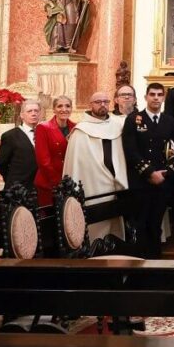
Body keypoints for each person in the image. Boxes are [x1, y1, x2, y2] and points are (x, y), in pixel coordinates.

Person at [121, 84, 174, 258]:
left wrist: (166, 172)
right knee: (141, 223)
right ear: (145, 97)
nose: (156, 98)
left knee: (155, 223)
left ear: (163, 98)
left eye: (159, 95)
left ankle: (155, 262)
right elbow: (130, 150)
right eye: (152, 94)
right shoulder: (134, 119)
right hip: (141, 181)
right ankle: (140, 263)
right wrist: (149, 173)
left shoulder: (170, 121)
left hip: (162, 181)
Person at [64, 92, 129, 241]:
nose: (102, 105)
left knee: (115, 223)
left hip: (116, 181)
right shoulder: (81, 130)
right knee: (95, 224)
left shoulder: (117, 125)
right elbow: (75, 164)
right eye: (98, 102)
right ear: (90, 105)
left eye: (106, 101)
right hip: (91, 182)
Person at [34, 96, 74, 206]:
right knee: (50, 219)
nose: (64, 109)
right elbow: (43, 161)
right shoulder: (43, 128)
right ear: (54, 109)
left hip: (70, 181)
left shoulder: (76, 127)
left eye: (67, 106)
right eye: (59, 106)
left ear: (71, 109)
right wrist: (59, 183)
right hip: (49, 183)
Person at [0, 100, 41, 192]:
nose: (34, 114)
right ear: (21, 115)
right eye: (29, 111)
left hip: (38, 188)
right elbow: (1, 163)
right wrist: (12, 180)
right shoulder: (10, 136)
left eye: (36, 111)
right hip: (17, 189)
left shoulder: (43, 133)